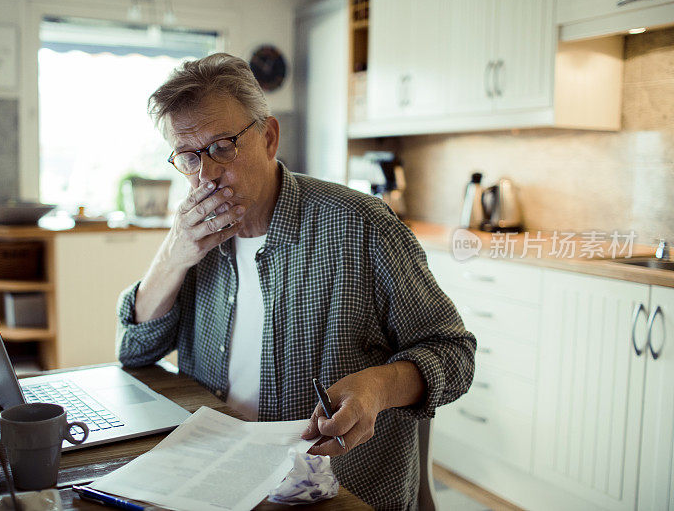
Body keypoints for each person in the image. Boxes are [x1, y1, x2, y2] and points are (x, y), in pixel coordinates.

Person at [116, 53, 475, 510]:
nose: (204, 174)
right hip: (217, 484)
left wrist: (378, 387)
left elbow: (455, 354)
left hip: (335, 496)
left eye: (221, 147)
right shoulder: (194, 235)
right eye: (188, 158)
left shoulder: (361, 227)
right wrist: (172, 258)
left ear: (268, 137)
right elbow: (133, 351)